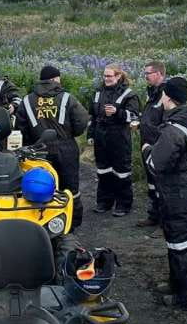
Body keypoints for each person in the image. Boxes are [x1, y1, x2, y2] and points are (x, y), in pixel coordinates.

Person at [144, 76, 187, 311]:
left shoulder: (174, 130)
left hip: (179, 191)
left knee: (180, 243)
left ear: (168, 98)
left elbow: (155, 164)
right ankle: (178, 284)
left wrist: (147, 150)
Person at [15, 65, 90, 229]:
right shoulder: (67, 98)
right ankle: (70, 224)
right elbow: (82, 120)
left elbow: (20, 127)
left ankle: (40, 223)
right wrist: (71, 134)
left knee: (39, 186)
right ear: (56, 79)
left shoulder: (27, 100)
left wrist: (30, 143)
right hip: (66, 147)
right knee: (70, 189)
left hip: (38, 150)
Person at [89, 64, 142, 217]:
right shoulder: (98, 92)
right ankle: (104, 202)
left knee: (122, 172)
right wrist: (91, 135)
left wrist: (117, 112)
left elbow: (134, 117)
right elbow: (93, 116)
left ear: (118, 76)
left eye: (110, 76)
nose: (106, 79)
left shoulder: (129, 94)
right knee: (103, 170)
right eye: (105, 76)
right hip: (101, 136)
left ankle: (123, 204)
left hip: (119, 137)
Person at [137, 61, 167, 228]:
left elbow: (167, 122)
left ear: (159, 74)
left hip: (159, 147)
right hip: (147, 145)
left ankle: (164, 222)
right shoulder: (152, 93)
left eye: (148, 73)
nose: (145, 77)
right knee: (151, 184)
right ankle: (154, 216)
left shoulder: (166, 94)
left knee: (162, 185)